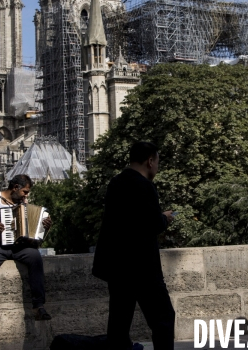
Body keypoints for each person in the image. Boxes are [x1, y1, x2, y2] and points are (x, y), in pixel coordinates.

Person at [92, 142, 176, 350]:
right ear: (150, 161)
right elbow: (150, 224)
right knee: (163, 319)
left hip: (117, 266)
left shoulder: (116, 183)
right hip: (142, 267)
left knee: (119, 324)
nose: (157, 167)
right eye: (157, 162)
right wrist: (164, 218)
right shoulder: (145, 186)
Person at [0, 174, 52, 325]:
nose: (27, 195)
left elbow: (33, 231)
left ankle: (38, 306)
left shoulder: (24, 204)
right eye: (25, 192)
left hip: (18, 246)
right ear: (15, 188)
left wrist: (45, 226)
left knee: (35, 258)